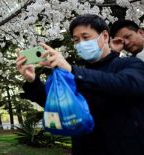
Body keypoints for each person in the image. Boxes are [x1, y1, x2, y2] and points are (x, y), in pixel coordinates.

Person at [16, 14, 144, 154]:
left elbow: (126, 84)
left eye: (86, 37)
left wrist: (71, 70)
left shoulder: (130, 64)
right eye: (76, 40)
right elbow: (57, 103)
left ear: (105, 36)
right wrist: (33, 81)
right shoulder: (77, 72)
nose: (81, 43)